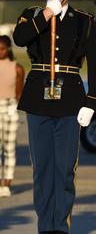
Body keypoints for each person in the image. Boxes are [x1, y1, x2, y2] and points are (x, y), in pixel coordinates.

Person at [12, 0, 96, 233]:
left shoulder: (84, 21)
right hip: (38, 99)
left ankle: (60, 228)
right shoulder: (31, 16)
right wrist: (47, 14)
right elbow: (20, 38)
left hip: (70, 101)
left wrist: (92, 101)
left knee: (64, 170)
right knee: (42, 170)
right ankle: (45, 227)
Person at [0, 35, 24, 198]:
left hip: (10, 107)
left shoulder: (17, 68)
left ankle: (6, 183)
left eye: (1, 48)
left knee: (9, 148)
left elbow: (19, 93)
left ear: (8, 49)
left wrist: (14, 108)